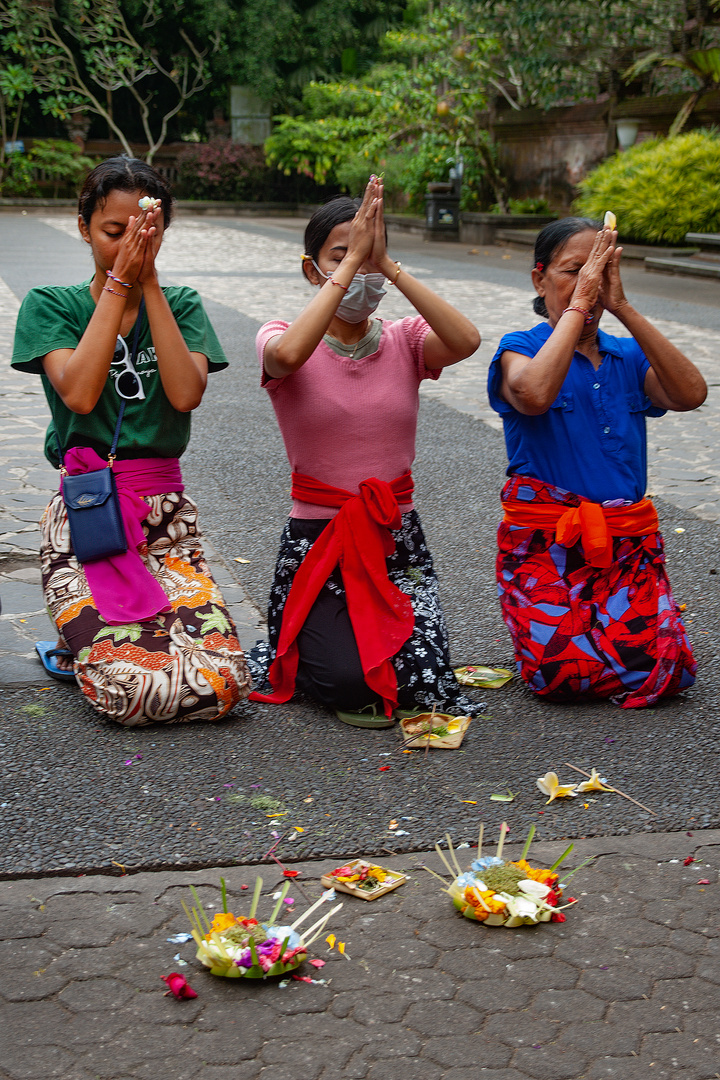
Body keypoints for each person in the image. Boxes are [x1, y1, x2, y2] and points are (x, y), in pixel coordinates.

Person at [12, 157, 250, 725]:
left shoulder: (183, 304)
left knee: (224, 682)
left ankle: (114, 640)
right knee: (136, 689)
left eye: (144, 233)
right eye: (111, 232)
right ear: (83, 227)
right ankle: (98, 642)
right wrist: (119, 284)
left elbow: (186, 392)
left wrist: (149, 286)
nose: (127, 244)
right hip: (88, 516)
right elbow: (80, 395)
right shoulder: (51, 306)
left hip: (168, 521)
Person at [247, 177, 482, 727]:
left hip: (393, 535)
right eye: (341, 253)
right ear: (312, 269)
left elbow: (467, 341)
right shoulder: (281, 333)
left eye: (369, 252)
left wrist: (389, 266)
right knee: (348, 683)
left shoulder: (405, 338)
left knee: (419, 681)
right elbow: (285, 357)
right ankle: (307, 649)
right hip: (319, 542)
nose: (360, 265)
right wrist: (351, 267)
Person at [488, 217, 705, 708]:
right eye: (571, 270)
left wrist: (621, 306)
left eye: (597, 270)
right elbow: (535, 393)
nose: (586, 280)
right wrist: (580, 304)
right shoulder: (519, 349)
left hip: (626, 546)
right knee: (563, 677)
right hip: (547, 549)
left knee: (665, 673)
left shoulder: (628, 356)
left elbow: (690, 394)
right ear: (538, 279)